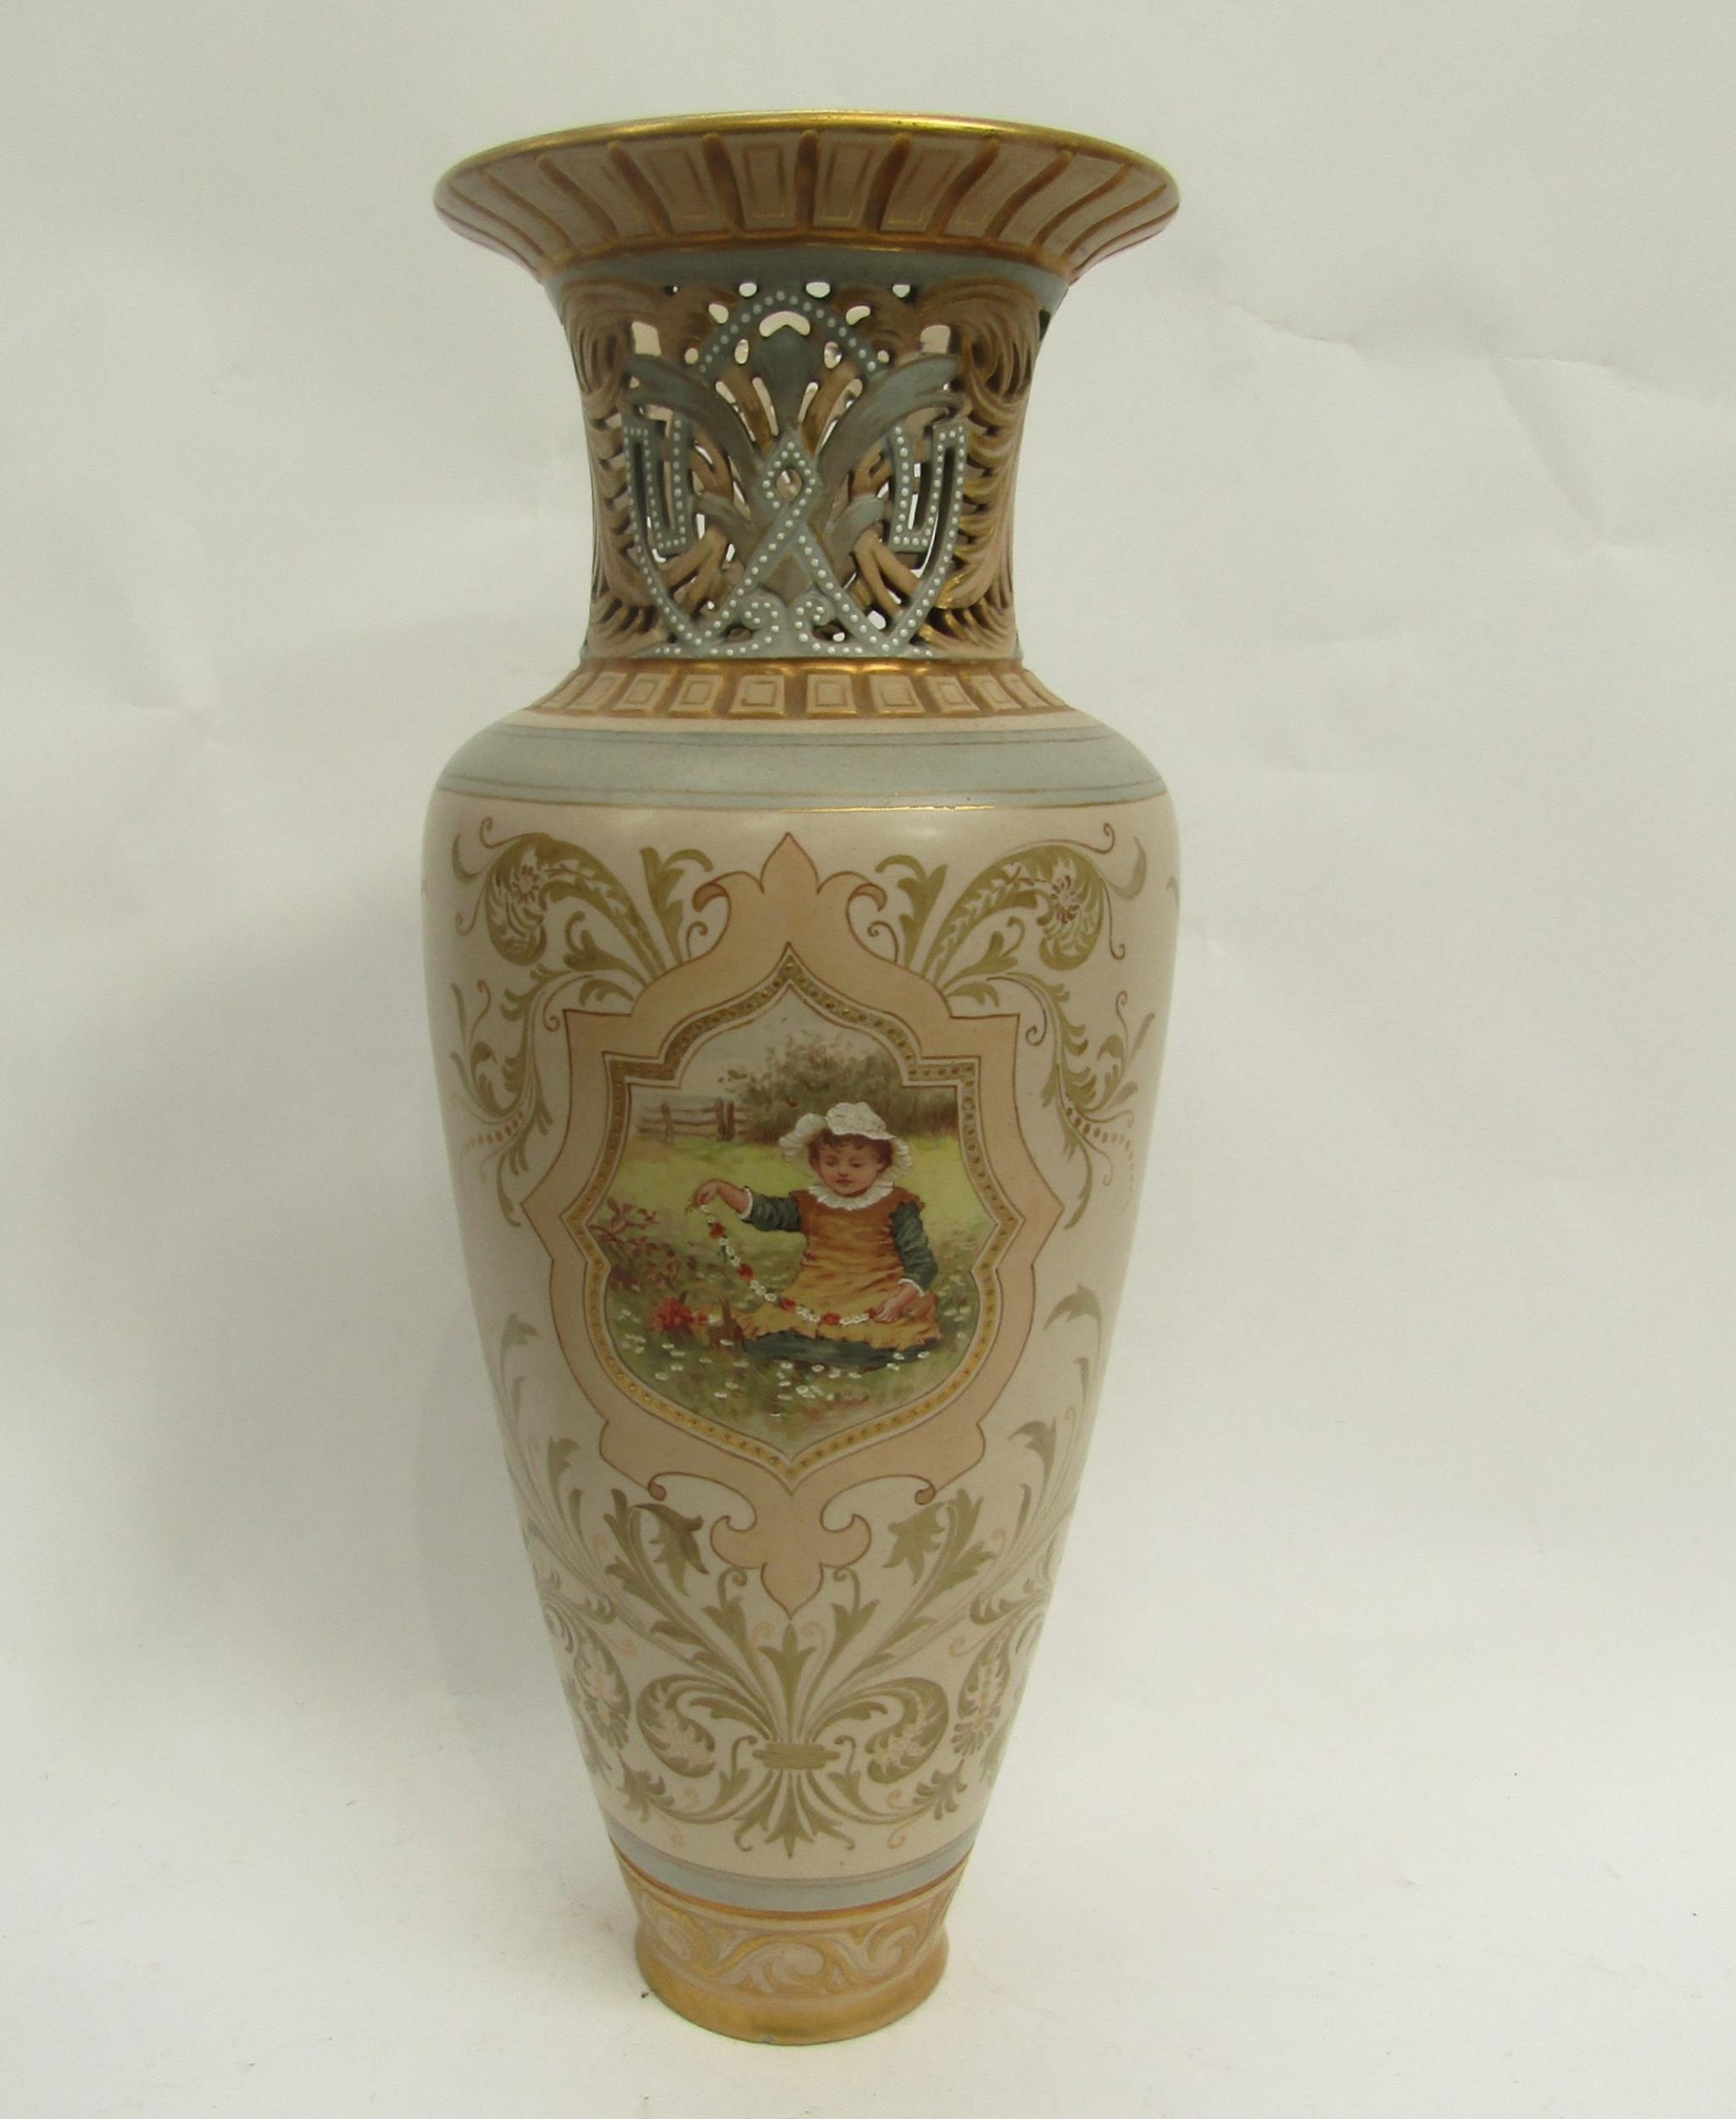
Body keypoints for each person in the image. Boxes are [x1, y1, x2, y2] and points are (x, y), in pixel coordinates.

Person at [690, 1100, 942, 1370]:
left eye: (857, 1164)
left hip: (876, 1292)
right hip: (816, 1293)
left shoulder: (897, 1204)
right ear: (816, 1163)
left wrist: (898, 1301)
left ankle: (847, 1352)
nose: (842, 1171)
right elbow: (768, 1213)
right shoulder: (810, 1202)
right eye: (831, 1162)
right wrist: (723, 1189)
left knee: (886, 1338)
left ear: (880, 1163)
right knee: (770, 1333)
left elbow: (921, 1261)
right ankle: (817, 1349)